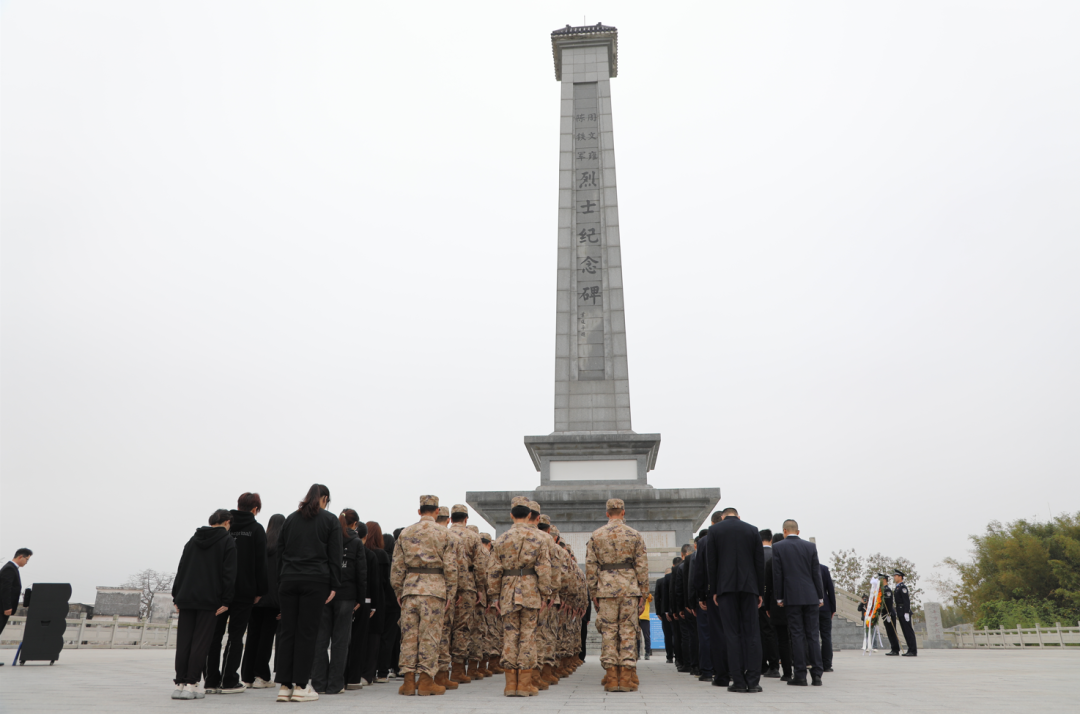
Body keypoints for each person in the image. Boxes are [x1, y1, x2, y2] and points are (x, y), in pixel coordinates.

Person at [274, 484, 342, 703]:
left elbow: (280, 551)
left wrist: (281, 578)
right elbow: (335, 555)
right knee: (307, 633)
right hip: (315, 580)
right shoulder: (330, 520)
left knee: (287, 632)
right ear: (324, 498)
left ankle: (284, 686)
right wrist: (334, 584)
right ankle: (301, 686)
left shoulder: (291, 519)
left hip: (288, 580)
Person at [390, 495, 458, 696]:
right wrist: (450, 593)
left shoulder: (405, 533)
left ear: (419, 511)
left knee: (409, 636)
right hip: (434, 590)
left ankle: (408, 682)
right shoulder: (445, 534)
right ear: (437, 511)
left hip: (410, 588)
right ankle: (426, 682)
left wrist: (399, 590)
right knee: (430, 636)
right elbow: (451, 568)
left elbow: (397, 566)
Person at [487, 495, 554, 697]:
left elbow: (493, 571)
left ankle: (510, 685)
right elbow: (544, 569)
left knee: (509, 635)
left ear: (511, 515)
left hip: (508, 591)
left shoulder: (501, 539)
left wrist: (494, 597)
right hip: (531, 590)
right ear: (530, 514)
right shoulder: (540, 539)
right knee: (528, 636)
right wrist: (545, 594)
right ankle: (524, 684)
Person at [205, 492, 268, 694]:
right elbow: (261, 563)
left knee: (214, 635)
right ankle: (229, 680)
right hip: (244, 591)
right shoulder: (257, 529)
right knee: (235, 636)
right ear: (255, 509)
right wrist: (260, 590)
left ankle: (210, 681)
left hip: (218, 591)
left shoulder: (224, 526)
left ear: (238, 506)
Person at [585, 497, 649, 693]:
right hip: (629, 589)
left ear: (607, 513)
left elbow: (590, 567)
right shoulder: (634, 535)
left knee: (609, 632)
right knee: (628, 631)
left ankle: (612, 678)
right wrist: (643, 592)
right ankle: (627, 678)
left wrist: (593, 592)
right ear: (623, 512)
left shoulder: (596, 535)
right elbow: (642, 566)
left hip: (606, 590)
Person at [172, 510, 237, 700]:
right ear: (227, 522)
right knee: (201, 643)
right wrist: (226, 600)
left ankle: (180, 684)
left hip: (186, 597)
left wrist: (176, 596)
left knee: (184, 642)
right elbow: (229, 573)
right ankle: (192, 685)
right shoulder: (227, 541)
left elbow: (182, 568)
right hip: (209, 600)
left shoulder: (192, 540)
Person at [706, 507, 764, 693]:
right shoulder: (752, 530)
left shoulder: (714, 530)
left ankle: (738, 681)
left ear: (722, 517)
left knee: (731, 634)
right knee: (752, 634)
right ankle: (753, 681)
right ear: (739, 516)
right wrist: (760, 591)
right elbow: (759, 563)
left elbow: (711, 563)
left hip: (726, 588)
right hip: (749, 587)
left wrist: (714, 590)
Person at [311, 509, 366, 694]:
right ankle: (335, 684)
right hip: (346, 596)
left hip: (325, 594)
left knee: (320, 640)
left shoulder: (327, 539)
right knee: (340, 641)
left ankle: (319, 683)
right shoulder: (356, 543)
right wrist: (360, 599)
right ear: (355, 524)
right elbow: (361, 573)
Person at [771, 519, 824, 687]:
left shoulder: (778, 547)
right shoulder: (810, 547)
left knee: (797, 635)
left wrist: (779, 597)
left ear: (784, 531)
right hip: (811, 596)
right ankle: (817, 675)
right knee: (813, 635)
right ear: (798, 531)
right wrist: (820, 596)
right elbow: (816, 572)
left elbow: (778, 574)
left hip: (792, 596)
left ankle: (800, 675)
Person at [242, 513, 284, 688]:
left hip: (256, 598)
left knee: (252, 636)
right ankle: (261, 676)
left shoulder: (260, 544)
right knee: (266, 638)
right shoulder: (284, 547)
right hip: (274, 600)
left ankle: (247, 677)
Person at [447, 505, 487, 684]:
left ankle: (441, 670)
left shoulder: (444, 533)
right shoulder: (472, 537)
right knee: (462, 628)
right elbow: (480, 566)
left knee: (444, 627)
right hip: (467, 587)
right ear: (466, 519)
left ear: (450, 518)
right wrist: (480, 588)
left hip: (444, 586)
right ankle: (457, 669)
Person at [697, 511, 729, 687]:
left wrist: (701, 595)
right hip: (736, 592)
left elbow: (701, 570)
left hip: (714, 593)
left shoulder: (704, 541)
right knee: (735, 632)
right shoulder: (739, 535)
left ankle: (718, 672)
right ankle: (736, 670)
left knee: (715, 634)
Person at [365, 522, 396, 682]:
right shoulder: (382, 555)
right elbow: (385, 581)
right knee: (384, 637)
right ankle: (382, 672)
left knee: (365, 636)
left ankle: (364, 671)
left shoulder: (363, 552)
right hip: (384, 601)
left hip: (364, 600)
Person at [765, 533, 792, 680]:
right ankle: (801, 668)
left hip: (778, 604)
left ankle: (786, 672)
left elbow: (768, 587)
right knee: (796, 636)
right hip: (795, 602)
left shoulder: (771, 562)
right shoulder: (793, 559)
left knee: (782, 639)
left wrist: (767, 606)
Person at [689, 530, 714, 682]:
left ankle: (707, 670)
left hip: (706, 598)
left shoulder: (697, 552)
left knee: (705, 635)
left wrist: (697, 599)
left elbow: (695, 577)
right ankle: (726, 669)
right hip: (726, 596)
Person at [0, 548, 32, 647]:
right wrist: (7, 607)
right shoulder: (10, 568)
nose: (26, 562)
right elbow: (5, 589)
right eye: (27, 559)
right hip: (2, 608)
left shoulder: (12, 568)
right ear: (20, 557)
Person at [758, 529, 779, 678]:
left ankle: (763, 665)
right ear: (771, 540)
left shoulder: (755, 555)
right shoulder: (776, 554)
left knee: (761, 632)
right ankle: (775, 664)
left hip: (759, 600)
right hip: (776, 600)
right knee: (775, 633)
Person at [893, 570, 918, 656]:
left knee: (908, 631)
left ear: (900, 577)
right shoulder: (897, 587)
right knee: (905, 632)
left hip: (904, 611)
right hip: (900, 611)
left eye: (896, 576)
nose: (894, 577)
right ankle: (910, 649)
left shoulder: (903, 587)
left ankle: (913, 650)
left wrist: (906, 612)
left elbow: (906, 600)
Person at [819, 563, 836, 672]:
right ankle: (827, 664)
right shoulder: (824, 569)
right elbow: (830, 589)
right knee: (826, 636)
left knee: (812, 636)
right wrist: (833, 608)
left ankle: (813, 662)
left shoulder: (804, 567)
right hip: (825, 607)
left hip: (810, 607)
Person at [879, 576, 902, 655]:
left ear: (884, 580)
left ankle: (895, 649)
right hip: (885, 614)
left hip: (889, 614)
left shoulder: (887, 590)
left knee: (892, 632)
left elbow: (889, 603)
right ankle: (893, 648)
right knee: (889, 632)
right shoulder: (881, 590)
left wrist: (888, 613)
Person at [654, 568, 673, 664]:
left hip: (664, 611)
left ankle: (669, 656)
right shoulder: (674, 579)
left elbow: (657, 598)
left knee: (667, 634)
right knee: (677, 634)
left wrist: (658, 612)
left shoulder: (660, 581)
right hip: (675, 610)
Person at [638, 591, 652, 659]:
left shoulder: (647, 594)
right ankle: (637, 653)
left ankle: (647, 652)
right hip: (636, 617)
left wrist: (645, 591)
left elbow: (651, 598)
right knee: (637, 637)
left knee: (646, 636)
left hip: (645, 617)